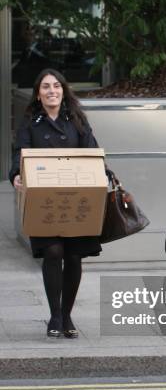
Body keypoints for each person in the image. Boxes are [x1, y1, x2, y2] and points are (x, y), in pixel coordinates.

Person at [9, 68, 105, 339]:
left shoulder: (76, 120)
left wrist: (103, 173)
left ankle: (67, 314)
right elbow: (20, 153)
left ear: (64, 90)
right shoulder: (30, 122)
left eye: (56, 86)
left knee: (74, 256)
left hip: (77, 201)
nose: (52, 91)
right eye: (45, 87)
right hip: (46, 202)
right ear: (38, 94)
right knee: (52, 252)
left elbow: (93, 151)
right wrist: (16, 174)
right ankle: (54, 315)